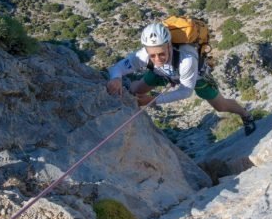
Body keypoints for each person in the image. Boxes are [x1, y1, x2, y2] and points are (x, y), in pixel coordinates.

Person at [106, 23, 256, 136]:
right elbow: (118, 68)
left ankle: (245, 115)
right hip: (163, 73)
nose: (157, 59)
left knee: (221, 106)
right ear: (146, 51)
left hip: (196, 77)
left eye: (161, 54)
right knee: (135, 89)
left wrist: (153, 100)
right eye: (152, 55)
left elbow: (185, 92)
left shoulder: (187, 60)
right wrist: (116, 78)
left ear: (169, 46)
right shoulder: (144, 55)